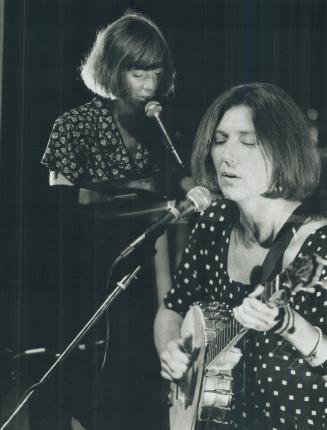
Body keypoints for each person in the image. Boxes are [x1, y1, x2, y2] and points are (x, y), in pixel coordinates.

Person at [154, 82, 327, 429]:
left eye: (247, 141)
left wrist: (287, 323)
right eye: (220, 140)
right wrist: (172, 350)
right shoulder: (215, 223)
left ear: (283, 150)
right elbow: (173, 307)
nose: (228, 155)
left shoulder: (318, 243)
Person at [38, 11, 177, 430]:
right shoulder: (73, 126)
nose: (150, 86)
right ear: (114, 72)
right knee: (90, 388)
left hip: (147, 273)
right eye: (138, 74)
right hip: (89, 274)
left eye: (156, 73)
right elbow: (60, 209)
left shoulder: (164, 131)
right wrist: (140, 191)